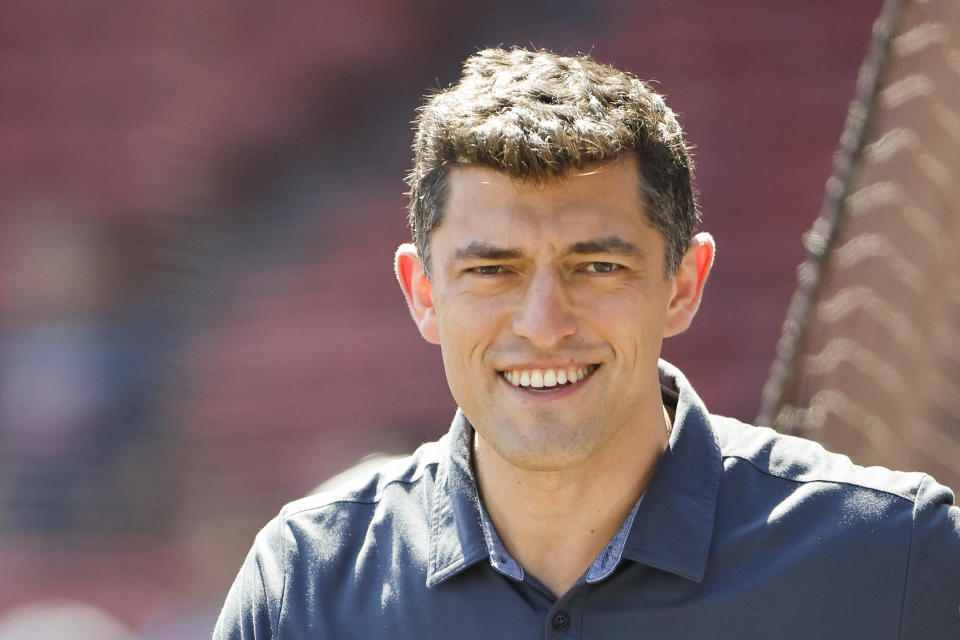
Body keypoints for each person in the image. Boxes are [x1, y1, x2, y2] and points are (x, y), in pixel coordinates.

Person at [213, 47, 960, 638]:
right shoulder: (303, 589)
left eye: (598, 266)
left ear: (683, 283)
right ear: (424, 294)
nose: (543, 322)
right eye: (492, 270)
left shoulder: (895, 560)